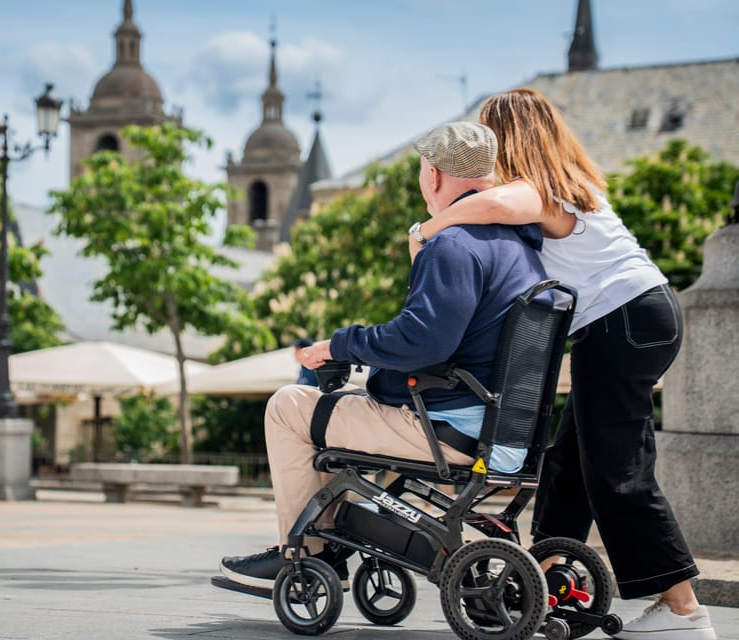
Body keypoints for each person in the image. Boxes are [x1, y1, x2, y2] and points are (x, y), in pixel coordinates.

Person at [414, 88, 716, 640]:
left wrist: (428, 229)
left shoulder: (541, 190)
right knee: (568, 464)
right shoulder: (570, 184)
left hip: (622, 323)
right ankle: (547, 582)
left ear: (508, 138)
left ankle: (683, 612)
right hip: (635, 320)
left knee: (618, 473)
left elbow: (499, 205)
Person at [218, 121, 547, 593]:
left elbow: (423, 342)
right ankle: (335, 536)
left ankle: (305, 555)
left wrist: (340, 344)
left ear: (432, 176)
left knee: (289, 407)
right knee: (337, 404)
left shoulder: (454, 246)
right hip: (504, 430)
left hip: (447, 428)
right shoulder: (522, 250)